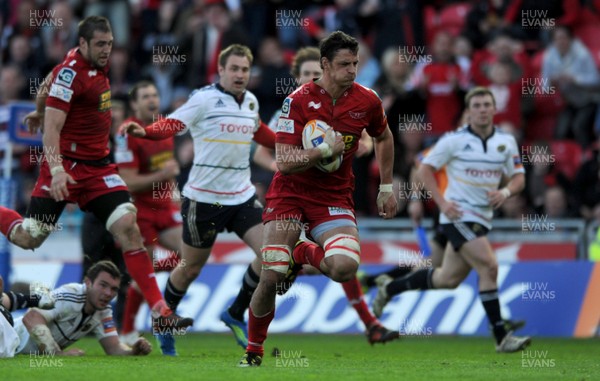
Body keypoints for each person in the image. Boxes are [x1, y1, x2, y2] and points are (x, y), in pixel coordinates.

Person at [0, 16, 192, 331]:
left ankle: (160, 310)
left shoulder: (91, 65)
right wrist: (58, 169)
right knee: (29, 238)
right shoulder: (71, 73)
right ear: (84, 44)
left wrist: (38, 106)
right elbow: (52, 128)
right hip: (63, 167)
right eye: (100, 44)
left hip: (98, 169)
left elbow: (45, 85)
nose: (107, 50)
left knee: (129, 229)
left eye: (110, 44)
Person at [238, 31, 398, 367]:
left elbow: (383, 136)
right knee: (273, 272)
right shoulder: (296, 101)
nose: (352, 70)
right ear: (325, 64)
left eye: (355, 63)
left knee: (343, 268)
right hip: (290, 193)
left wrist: (386, 187)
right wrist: (325, 149)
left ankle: (302, 250)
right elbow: (282, 161)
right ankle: (254, 351)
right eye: (344, 64)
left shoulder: (367, 100)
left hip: (334, 197)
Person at [119, 44, 276, 350]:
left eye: (245, 69)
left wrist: (289, 141)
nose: (240, 74)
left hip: (241, 196)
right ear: (221, 70)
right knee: (190, 268)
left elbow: (260, 133)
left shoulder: (252, 103)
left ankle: (234, 312)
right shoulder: (204, 98)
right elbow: (173, 124)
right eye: (234, 68)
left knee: (271, 255)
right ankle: (164, 322)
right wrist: (145, 132)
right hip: (204, 199)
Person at [372, 87, 532, 353]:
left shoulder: (505, 142)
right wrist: (442, 202)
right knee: (489, 267)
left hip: (482, 218)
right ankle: (501, 337)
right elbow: (423, 168)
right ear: (468, 112)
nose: (482, 109)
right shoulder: (453, 140)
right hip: (456, 216)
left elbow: (519, 178)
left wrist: (505, 191)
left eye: (486, 105)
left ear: (494, 109)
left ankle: (391, 287)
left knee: (448, 278)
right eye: (476, 105)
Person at [114, 81, 183, 355]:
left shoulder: (165, 127)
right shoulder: (125, 133)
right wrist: (162, 176)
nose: (152, 100)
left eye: (155, 94)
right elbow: (128, 181)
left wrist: (173, 188)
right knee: (147, 270)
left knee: (192, 254)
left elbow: (168, 165)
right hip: (140, 212)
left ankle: (143, 318)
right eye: (145, 97)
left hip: (166, 208)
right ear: (134, 104)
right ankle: (129, 329)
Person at [0, 261, 152, 357]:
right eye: (103, 285)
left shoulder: (103, 311)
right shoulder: (71, 294)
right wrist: (57, 353)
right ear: (88, 283)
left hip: (12, 352)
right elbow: (31, 317)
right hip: (6, 339)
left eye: (113, 289)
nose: (108, 293)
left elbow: (113, 348)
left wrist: (133, 351)